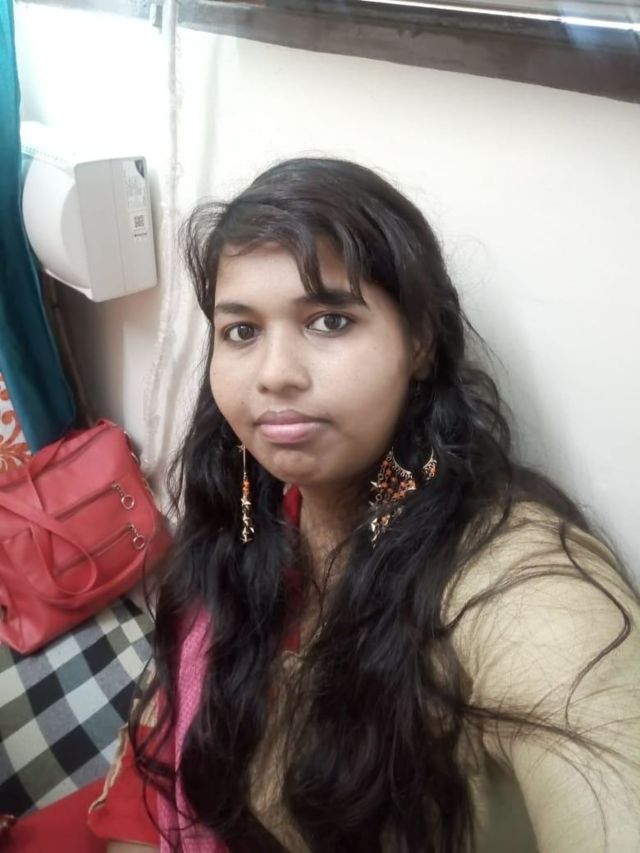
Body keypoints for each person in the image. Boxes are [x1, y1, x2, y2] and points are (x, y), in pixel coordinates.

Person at [88, 157, 640, 852]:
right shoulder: (248, 508)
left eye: (329, 320)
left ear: (420, 342)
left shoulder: (515, 583)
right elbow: (167, 719)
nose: (274, 375)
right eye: (242, 331)